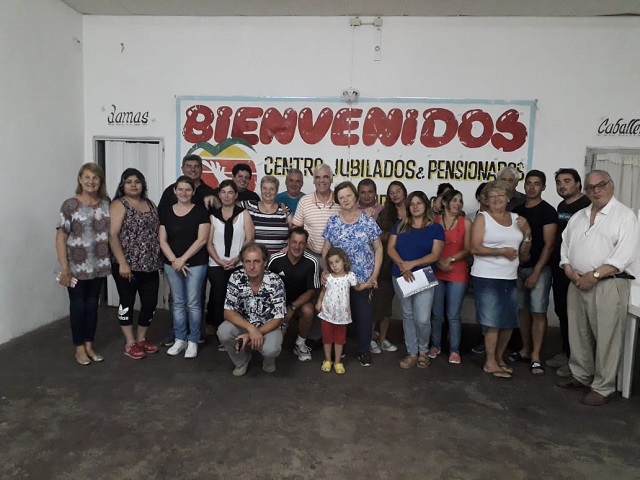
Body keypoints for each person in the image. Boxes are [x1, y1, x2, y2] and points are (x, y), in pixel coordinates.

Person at [557, 170, 639, 406]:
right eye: (591, 187)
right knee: (578, 332)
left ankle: (603, 387)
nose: (596, 190)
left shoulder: (624, 216)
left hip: (608, 284)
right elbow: (565, 245)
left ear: (611, 185)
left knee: (607, 337)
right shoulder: (579, 216)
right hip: (576, 281)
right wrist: (568, 268)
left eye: (601, 185)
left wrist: (594, 275)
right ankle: (581, 374)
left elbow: (623, 255)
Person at [470, 180, 532, 379]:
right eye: (492, 196)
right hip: (486, 276)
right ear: (486, 200)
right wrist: (500, 251)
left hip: (510, 276)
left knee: (508, 322)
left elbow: (524, 254)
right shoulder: (483, 218)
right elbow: (474, 247)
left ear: (508, 198)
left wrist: (527, 234)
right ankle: (490, 363)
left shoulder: (516, 219)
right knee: (492, 321)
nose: (496, 199)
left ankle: (498, 358)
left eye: (500, 195)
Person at [322, 181, 383, 367]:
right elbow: (326, 249)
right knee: (338, 316)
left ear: (355, 196)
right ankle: (339, 351)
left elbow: (379, 248)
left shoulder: (368, 220)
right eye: (341, 197)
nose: (345, 199)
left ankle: (363, 351)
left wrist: (374, 275)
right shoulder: (333, 221)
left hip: (363, 279)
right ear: (337, 200)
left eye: (348, 195)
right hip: (339, 280)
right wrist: (326, 270)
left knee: (364, 316)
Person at [158, 154, 216, 347]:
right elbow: (162, 229)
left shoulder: (208, 193)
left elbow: (208, 228)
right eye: (189, 166)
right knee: (176, 300)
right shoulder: (168, 195)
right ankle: (177, 334)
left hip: (196, 259)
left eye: (196, 166)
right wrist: (174, 259)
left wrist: (183, 258)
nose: (193, 169)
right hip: (172, 259)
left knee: (195, 300)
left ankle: (195, 336)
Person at [55, 163, 111, 366]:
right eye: (87, 177)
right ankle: (79, 347)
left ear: (100, 181)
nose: (91, 181)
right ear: (80, 179)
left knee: (92, 306)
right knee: (78, 306)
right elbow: (61, 237)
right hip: (76, 267)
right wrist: (64, 268)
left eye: (95, 178)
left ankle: (89, 345)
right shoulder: (70, 205)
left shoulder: (106, 203)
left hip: (99, 265)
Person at [108, 168, 163, 360]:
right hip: (127, 265)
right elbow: (112, 235)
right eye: (129, 181)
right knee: (127, 302)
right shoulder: (119, 204)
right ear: (122, 185)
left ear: (143, 185)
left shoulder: (150, 204)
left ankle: (141, 339)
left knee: (150, 302)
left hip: (150, 264)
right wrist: (122, 263)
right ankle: (130, 342)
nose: (133, 185)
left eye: (137, 181)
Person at [388, 191, 445, 369]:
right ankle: (412, 352)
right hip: (401, 276)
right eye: (412, 204)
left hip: (424, 277)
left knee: (423, 319)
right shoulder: (400, 225)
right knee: (408, 315)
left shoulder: (435, 228)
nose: (415, 206)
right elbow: (390, 248)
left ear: (426, 205)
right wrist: (402, 265)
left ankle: (423, 351)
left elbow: (436, 254)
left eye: (419, 203)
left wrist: (412, 264)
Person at [509, 170, 557, 376]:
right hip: (519, 268)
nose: (531, 187)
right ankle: (526, 349)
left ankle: (536, 356)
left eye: (536, 184)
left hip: (540, 269)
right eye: (528, 183)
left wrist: (536, 272)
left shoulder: (548, 211)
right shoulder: (517, 210)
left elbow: (549, 245)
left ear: (543, 187)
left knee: (538, 311)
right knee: (522, 310)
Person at [218, 243, 287, 376]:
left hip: (268, 327)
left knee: (271, 350)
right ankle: (242, 360)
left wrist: (254, 334)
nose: (251, 266)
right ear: (243, 263)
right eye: (247, 261)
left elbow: (279, 318)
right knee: (223, 332)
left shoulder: (276, 281)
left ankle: (268, 360)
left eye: (256, 261)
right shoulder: (236, 277)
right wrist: (251, 329)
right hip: (244, 324)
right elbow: (227, 312)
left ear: (264, 263)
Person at [547, 168, 591, 377]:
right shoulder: (562, 206)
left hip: (578, 270)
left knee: (577, 317)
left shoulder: (587, 205)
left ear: (578, 183)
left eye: (567, 181)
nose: (562, 185)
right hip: (560, 267)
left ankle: (579, 361)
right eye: (558, 182)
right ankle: (568, 353)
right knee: (562, 311)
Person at [205, 179, 254, 343]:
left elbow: (249, 238)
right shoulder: (213, 216)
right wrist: (219, 261)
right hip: (217, 264)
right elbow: (208, 242)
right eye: (223, 192)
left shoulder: (243, 214)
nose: (226, 196)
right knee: (219, 297)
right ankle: (220, 334)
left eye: (230, 192)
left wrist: (238, 258)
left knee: (238, 298)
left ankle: (237, 331)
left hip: (238, 264)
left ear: (236, 195)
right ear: (219, 195)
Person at [268, 227, 321, 362]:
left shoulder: (312, 262)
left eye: (301, 243)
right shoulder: (275, 259)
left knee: (309, 310)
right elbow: (266, 287)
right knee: (272, 347)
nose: (297, 247)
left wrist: (292, 307)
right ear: (288, 242)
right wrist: (279, 309)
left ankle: (300, 344)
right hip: (277, 303)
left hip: (299, 302)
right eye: (294, 242)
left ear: (306, 245)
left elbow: (312, 291)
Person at [316, 247, 372, 374]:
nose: (334, 265)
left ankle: (337, 362)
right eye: (331, 263)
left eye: (337, 261)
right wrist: (319, 302)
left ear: (344, 261)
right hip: (327, 313)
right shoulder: (328, 277)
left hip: (342, 316)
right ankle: (327, 360)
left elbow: (358, 287)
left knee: (339, 340)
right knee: (327, 339)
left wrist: (367, 284)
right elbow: (323, 291)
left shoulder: (349, 276)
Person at [431, 189, 471, 364]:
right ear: (445, 203)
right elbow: (428, 245)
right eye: (454, 200)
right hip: (437, 270)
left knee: (453, 314)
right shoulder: (435, 221)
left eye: (460, 201)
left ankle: (454, 350)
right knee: (436, 313)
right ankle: (435, 345)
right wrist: (439, 261)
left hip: (457, 272)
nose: (458, 204)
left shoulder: (465, 222)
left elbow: (468, 248)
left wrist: (450, 259)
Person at [371, 181, 408, 354]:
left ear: (404, 192)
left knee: (390, 308)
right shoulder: (385, 213)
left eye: (398, 191)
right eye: (391, 192)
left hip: (408, 263)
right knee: (379, 304)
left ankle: (383, 338)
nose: (395, 195)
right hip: (386, 264)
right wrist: (394, 236)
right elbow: (376, 236)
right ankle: (371, 339)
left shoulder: (413, 210)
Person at [292, 164, 341, 259]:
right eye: (317, 177)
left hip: (335, 257)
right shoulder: (304, 201)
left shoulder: (340, 201)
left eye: (325, 177)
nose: (321, 180)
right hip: (309, 255)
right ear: (313, 180)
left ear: (331, 179)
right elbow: (296, 228)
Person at [243, 175, 292, 254]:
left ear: (277, 191)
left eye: (271, 189)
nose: (268, 192)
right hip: (255, 259)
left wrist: (289, 246)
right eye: (264, 188)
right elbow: (229, 204)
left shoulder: (285, 210)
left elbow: (295, 232)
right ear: (261, 189)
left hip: (278, 259)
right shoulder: (250, 206)